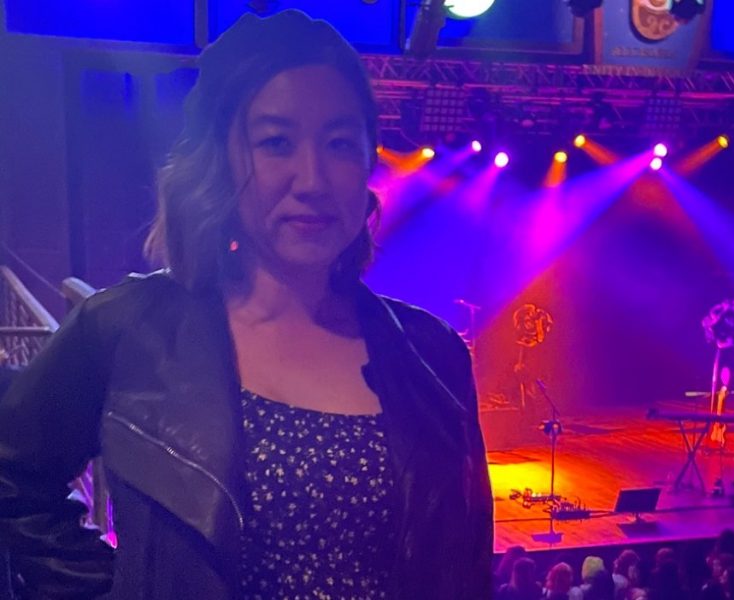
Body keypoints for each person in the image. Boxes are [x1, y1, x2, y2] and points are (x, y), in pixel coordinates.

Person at [0, 9, 493, 599]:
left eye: (339, 143)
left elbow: (466, 568)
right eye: (276, 142)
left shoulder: (434, 358)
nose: (312, 179)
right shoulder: (125, 330)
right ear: (222, 159)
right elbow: (13, 477)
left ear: (367, 160)